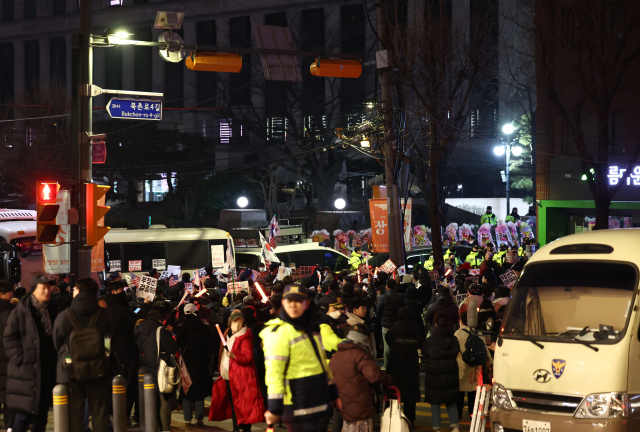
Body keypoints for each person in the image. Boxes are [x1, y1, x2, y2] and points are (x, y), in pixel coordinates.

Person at [261, 284, 341, 432]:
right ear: (283, 303)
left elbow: (322, 364)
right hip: (296, 404)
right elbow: (274, 373)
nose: (293, 305)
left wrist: (333, 394)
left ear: (306, 303)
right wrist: (274, 408)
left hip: (319, 401)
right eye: (289, 300)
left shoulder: (313, 328)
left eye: (298, 300)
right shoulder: (278, 333)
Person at [53, 277, 112, 432]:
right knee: (100, 414)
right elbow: (109, 341)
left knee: (75, 415)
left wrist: (68, 356)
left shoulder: (65, 316)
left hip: (72, 372)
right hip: (99, 371)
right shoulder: (104, 315)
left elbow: (57, 342)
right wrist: (104, 356)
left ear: (77, 291)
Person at [4, 275, 58, 432]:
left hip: (46, 370)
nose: (47, 291)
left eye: (49, 287)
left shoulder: (51, 309)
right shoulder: (21, 311)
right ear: (34, 290)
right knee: (23, 415)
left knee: (42, 415)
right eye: (44, 288)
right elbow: (9, 338)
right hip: (26, 372)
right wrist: (20, 359)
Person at [329, 324, 392, 432]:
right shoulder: (359, 355)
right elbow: (374, 374)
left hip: (344, 408)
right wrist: (389, 379)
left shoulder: (336, 356)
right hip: (360, 408)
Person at [210, 309, 264, 431]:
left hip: (242, 377)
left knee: (242, 405)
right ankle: (236, 428)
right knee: (235, 405)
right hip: (229, 376)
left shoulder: (244, 337)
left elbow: (248, 357)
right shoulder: (228, 333)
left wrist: (234, 356)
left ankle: (244, 428)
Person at [135, 306, 178, 432]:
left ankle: (151, 427)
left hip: (147, 369)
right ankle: (164, 429)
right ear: (162, 318)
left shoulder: (141, 328)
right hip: (161, 369)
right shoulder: (160, 330)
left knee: (149, 401)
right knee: (164, 400)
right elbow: (173, 348)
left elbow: (140, 348)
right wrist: (169, 334)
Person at [384, 307, 424, 426]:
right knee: (410, 395)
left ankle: (392, 420)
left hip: (396, 365)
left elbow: (388, 340)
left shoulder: (393, 330)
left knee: (394, 393)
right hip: (411, 364)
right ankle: (409, 421)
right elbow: (421, 342)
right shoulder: (416, 330)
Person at [176, 303, 213, 426]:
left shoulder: (181, 328)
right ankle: (199, 418)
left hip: (186, 364)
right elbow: (210, 347)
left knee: (186, 389)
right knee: (199, 391)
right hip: (201, 363)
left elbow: (177, 346)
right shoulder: (204, 328)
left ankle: (187, 418)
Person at [423, 314, 460, 432]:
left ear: (436, 324)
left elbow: (424, 352)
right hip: (451, 374)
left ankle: (437, 428)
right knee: (451, 402)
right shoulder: (453, 339)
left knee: (435, 403)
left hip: (435, 375)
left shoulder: (431, 340)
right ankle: (455, 426)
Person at [454, 312, 493, 422]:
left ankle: (458, 416)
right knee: (474, 393)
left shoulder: (457, 333)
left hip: (461, 367)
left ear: (461, 320)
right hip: (476, 367)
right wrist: (490, 363)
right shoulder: (478, 333)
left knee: (460, 393)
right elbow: (485, 351)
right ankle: (473, 414)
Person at [376, 279, 404, 369]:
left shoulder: (383, 297)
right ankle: (399, 364)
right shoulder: (401, 296)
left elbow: (378, 310)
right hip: (398, 324)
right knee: (399, 344)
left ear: (387, 287)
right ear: (395, 286)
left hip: (387, 324)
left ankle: (387, 365)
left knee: (387, 346)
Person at [0, 281, 15, 429]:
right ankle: (10, 426)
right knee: (9, 397)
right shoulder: (12, 312)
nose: (11, 294)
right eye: (9, 292)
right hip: (8, 361)